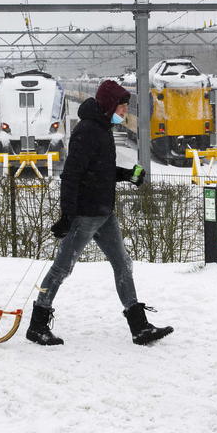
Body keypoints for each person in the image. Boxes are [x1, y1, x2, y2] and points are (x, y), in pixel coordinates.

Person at [26, 79, 174, 347]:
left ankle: (139, 327)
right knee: (61, 269)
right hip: (84, 214)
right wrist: (67, 216)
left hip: (104, 212)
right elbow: (71, 175)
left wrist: (127, 175)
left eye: (126, 107)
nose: (125, 112)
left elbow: (101, 171)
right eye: (122, 107)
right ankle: (37, 325)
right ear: (108, 106)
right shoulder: (87, 131)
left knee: (123, 264)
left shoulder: (103, 128)